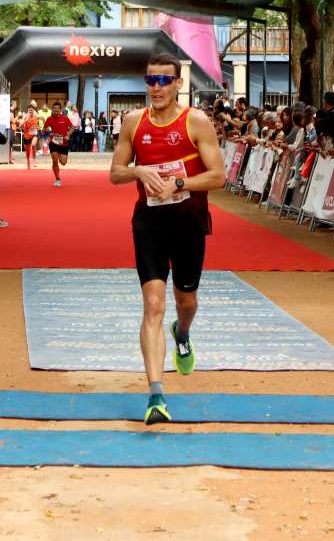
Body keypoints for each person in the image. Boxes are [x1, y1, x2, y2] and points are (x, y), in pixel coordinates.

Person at [109, 52, 224, 425]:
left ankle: (183, 332)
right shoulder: (132, 122)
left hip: (189, 225)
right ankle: (156, 394)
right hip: (149, 224)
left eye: (163, 80)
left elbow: (218, 177)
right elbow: (115, 173)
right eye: (150, 80)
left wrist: (180, 183)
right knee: (154, 305)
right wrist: (139, 171)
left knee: (185, 301)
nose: (156, 87)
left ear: (178, 84)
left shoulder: (196, 121)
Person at [43, 101, 76, 187]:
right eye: (54, 109)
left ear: (60, 110)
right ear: (52, 109)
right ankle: (57, 179)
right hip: (53, 142)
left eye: (58, 109)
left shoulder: (65, 118)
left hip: (64, 142)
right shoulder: (49, 119)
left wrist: (68, 134)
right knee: (54, 160)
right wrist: (47, 131)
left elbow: (72, 127)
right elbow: (44, 129)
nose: (56, 110)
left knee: (63, 162)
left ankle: (58, 174)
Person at [20, 105, 41, 169]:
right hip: (26, 136)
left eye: (31, 110)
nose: (30, 111)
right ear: (28, 111)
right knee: (27, 151)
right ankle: (28, 161)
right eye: (29, 110)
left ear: (33, 110)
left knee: (34, 145)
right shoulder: (25, 116)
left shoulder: (36, 116)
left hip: (34, 134)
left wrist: (40, 127)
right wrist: (25, 121)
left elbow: (42, 119)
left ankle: (33, 160)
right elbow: (20, 126)